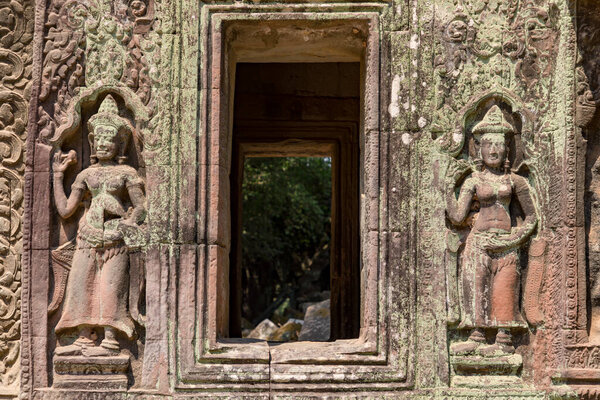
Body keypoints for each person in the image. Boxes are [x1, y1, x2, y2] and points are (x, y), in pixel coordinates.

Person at [52, 95, 146, 357]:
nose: (104, 144)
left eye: (110, 140)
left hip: (115, 238)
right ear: (92, 142)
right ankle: (83, 336)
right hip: (86, 237)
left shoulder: (126, 174)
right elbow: (66, 210)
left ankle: (110, 339)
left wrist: (127, 221)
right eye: (100, 139)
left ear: (120, 144)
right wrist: (58, 175)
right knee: (81, 284)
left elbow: (141, 206)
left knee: (110, 288)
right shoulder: (86, 175)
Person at [446, 105, 537, 356]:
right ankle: (476, 336)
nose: (494, 150)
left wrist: (515, 239)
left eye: (499, 145)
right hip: (478, 244)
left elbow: (531, 217)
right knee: (476, 287)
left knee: (504, 289)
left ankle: (504, 341)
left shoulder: (515, 181)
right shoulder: (473, 180)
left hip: (507, 243)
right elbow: (456, 216)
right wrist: (445, 187)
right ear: (479, 148)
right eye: (488, 145)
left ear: (507, 149)